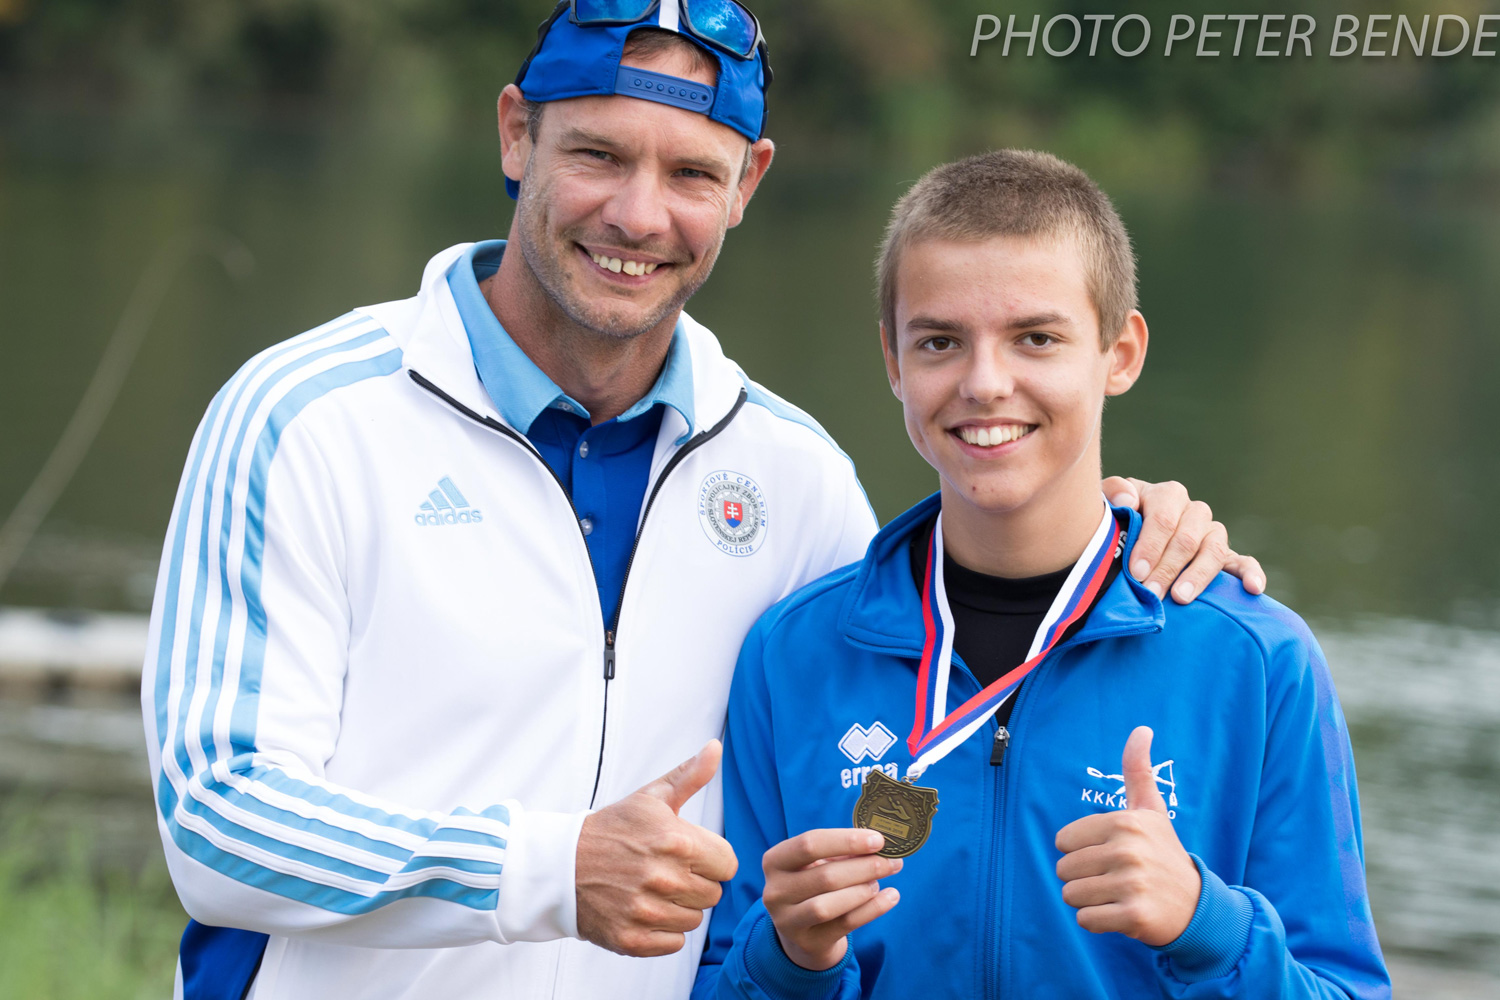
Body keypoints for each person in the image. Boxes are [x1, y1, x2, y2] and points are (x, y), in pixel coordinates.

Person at [139, 4, 1261, 998]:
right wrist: (545, 871)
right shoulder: (307, 418)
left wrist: (1130, 526)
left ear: (748, 184)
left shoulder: (796, 474)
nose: (638, 214)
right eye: (596, 154)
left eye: (690, 173)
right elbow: (216, 820)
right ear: (516, 135)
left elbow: (956, 654)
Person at [694, 149, 1390, 1000]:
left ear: (1119, 352)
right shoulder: (792, 654)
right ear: (893, 361)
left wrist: (1208, 927)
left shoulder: (1255, 661)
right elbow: (718, 976)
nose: (986, 384)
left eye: (1037, 338)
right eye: (941, 341)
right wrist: (788, 960)